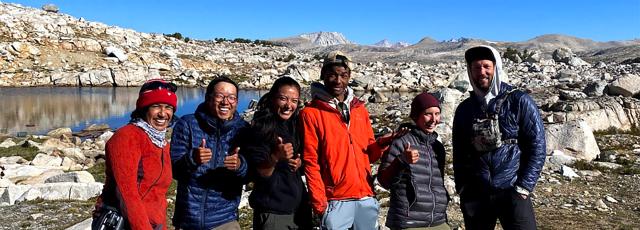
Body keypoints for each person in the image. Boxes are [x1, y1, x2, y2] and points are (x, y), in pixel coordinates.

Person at [300, 51, 400, 229]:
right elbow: (310, 161)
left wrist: (381, 143)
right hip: (336, 199)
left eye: (343, 75)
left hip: (365, 195)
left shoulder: (359, 109)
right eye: (332, 75)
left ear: (349, 77)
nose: (338, 81)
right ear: (323, 75)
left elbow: (368, 155)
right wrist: (320, 205)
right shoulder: (311, 113)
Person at [452, 45, 546, 230]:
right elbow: (459, 152)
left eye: (486, 66)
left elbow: (537, 146)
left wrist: (524, 187)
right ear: (470, 71)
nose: (482, 72)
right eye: (476, 67)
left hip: (513, 190)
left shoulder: (519, 100)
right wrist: (462, 187)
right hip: (476, 192)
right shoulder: (465, 109)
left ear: (496, 67)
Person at [92, 79, 177, 230]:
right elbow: (128, 195)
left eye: (168, 107)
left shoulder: (161, 142)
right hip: (127, 224)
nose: (163, 113)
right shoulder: (127, 137)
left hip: (153, 224)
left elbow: (158, 195)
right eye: (156, 106)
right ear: (144, 109)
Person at [170, 76, 249, 230]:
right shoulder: (187, 124)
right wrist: (192, 159)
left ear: (237, 102)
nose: (226, 102)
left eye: (231, 97)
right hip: (188, 220)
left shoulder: (243, 130)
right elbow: (173, 169)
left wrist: (240, 165)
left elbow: (251, 174)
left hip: (226, 221)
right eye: (219, 96)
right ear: (208, 98)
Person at [239, 76, 312, 230]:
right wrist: (276, 157)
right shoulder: (260, 129)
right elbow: (259, 173)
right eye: (283, 99)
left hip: (299, 210)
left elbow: (300, 163)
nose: (288, 106)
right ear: (272, 98)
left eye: (294, 101)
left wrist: (299, 163)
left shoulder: (293, 125)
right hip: (273, 212)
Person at [378, 92, 449, 230]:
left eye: (437, 114)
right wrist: (401, 160)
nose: (433, 119)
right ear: (416, 116)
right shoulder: (401, 142)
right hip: (409, 222)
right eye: (428, 114)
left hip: (438, 220)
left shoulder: (438, 147)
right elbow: (384, 181)